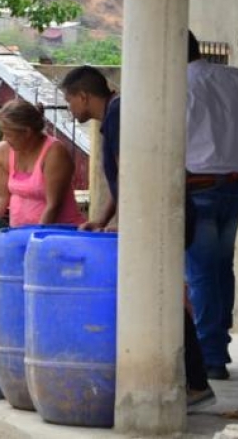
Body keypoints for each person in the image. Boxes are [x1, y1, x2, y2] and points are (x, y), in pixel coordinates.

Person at [60, 65, 215, 410]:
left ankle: (194, 381)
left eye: (69, 100)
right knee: (164, 296)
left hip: (161, 218)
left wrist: (133, 224)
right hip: (162, 215)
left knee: (165, 298)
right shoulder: (116, 114)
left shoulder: (117, 115)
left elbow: (131, 171)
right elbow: (122, 176)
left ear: (84, 96)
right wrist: (102, 217)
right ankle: (192, 380)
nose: (69, 108)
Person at [185, 31, 238, 380]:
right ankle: (218, 346)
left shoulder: (178, 87)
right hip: (236, 185)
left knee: (202, 272)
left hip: (197, 186)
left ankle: (209, 355)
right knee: (220, 268)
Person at [0, 98, 84, 242]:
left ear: (27, 132)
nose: (4, 138)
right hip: (20, 237)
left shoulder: (54, 153)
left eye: (8, 133)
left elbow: (53, 205)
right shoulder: (4, 151)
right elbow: (0, 196)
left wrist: (35, 242)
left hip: (58, 238)